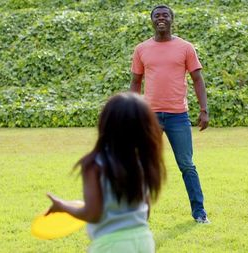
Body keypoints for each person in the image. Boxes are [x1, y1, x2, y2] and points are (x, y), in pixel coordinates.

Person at [46, 92, 166, 252]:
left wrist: (62, 206)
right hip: (143, 240)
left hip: (111, 245)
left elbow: (93, 213)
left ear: (106, 123)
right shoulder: (141, 162)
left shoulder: (94, 165)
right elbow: (146, 209)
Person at [130, 5, 210, 224]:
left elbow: (197, 79)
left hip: (178, 117)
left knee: (186, 165)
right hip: (150, 117)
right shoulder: (142, 49)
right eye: (157, 16)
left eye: (165, 15)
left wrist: (204, 110)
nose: (161, 18)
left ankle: (199, 212)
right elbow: (136, 82)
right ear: (152, 21)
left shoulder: (185, 47)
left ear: (172, 20)